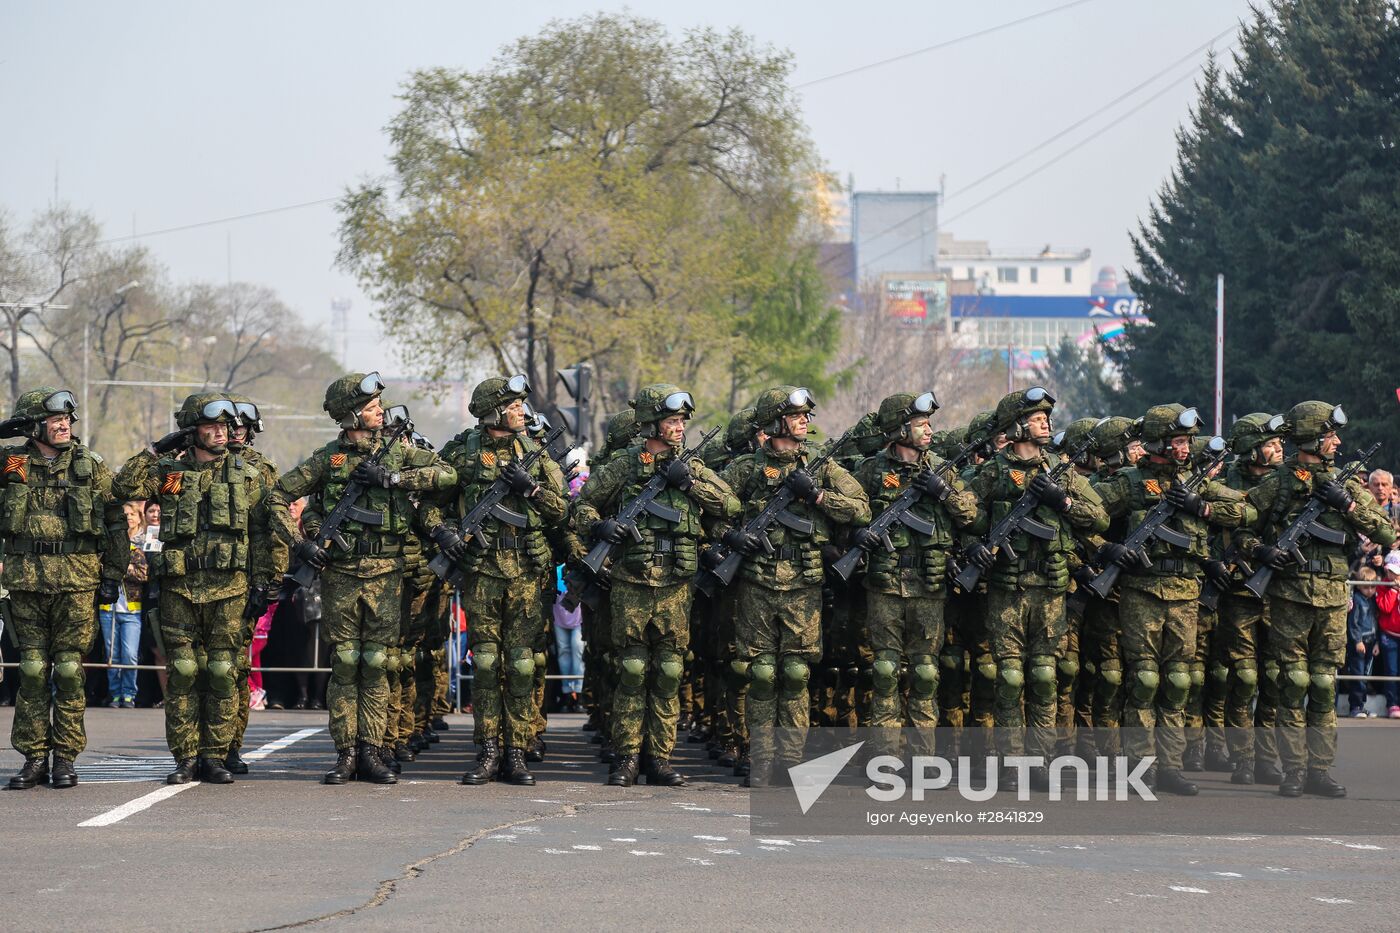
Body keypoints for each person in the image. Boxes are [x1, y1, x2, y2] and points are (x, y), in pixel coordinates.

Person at [267, 372, 456, 785]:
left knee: (376, 663)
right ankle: (345, 753)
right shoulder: (327, 459)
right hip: (341, 576)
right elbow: (277, 497)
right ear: (351, 416)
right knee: (346, 663)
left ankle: (373, 751)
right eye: (372, 408)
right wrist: (301, 543)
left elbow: (446, 475)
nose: (380, 413)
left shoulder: (397, 454)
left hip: (388, 574)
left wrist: (394, 479)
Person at [570, 384, 738, 786]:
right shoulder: (625, 467)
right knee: (632, 670)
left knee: (668, 672)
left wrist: (689, 485)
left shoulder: (691, 468)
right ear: (651, 425)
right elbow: (581, 505)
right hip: (631, 583)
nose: (680, 428)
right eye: (672, 421)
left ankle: (659, 758)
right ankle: (627, 756)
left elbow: (731, 506)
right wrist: (600, 526)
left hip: (676, 586)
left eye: (682, 421)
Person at [112, 393, 279, 785]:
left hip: (230, 587)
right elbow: (122, 487)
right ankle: (185, 756)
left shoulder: (248, 473)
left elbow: (264, 533)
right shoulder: (168, 471)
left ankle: (215, 755)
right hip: (179, 588)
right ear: (192, 430)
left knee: (222, 672)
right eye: (211, 426)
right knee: (185, 672)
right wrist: (154, 450)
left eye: (225, 426)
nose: (222, 432)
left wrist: (265, 582)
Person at [1091, 404, 1251, 796]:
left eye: (1186, 441)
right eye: (1178, 441)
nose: (1185, 447)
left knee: (1178, 683)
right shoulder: (1130, 481)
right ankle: (1140, 768)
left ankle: (1171, 766)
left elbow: (1248, 508)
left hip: (1185, 594)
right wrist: (1106, 548)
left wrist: (1203, 507)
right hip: (1142, 591)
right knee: (1144, 680)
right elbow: (1083, 514)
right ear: (1161, 442)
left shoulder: (1195, 482)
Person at [719, 386, 871, 787]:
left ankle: (789, 760)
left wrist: (819, 496)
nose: (805, 420)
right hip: (756, 583)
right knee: (763, 674)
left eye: (807, 415)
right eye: (796, 414)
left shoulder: (822, 468)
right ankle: (760, 759)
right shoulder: (748, 468)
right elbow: (713, 509)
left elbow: (861, 508)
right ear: (775, 422)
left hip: (803, 586)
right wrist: (730, 537)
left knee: (796, 673)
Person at [1243, 401, 1395, 797]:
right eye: (1330, 435)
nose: (1337, 442)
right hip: (1289, 597)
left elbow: (1384, 532)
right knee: (1292, 684)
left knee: (1325, 686)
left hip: (1329, 599)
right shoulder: (1277, 483)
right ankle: (1293, 769)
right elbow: (1238, 526)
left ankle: (1319, 770)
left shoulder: (1344, 485)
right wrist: (1259, 551)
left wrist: (1346, 504)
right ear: (1312, 438)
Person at [962, 388, 1107, 791]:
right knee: (1009, 677)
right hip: (1007, 589)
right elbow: (964, 514)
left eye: (1046, 416)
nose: (1046, 422)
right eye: (1037, 417)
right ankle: (1012, 763)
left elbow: (1098, 518)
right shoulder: (994, 470)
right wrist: (972, 544)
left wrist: (1062, 502)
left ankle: (1039, 761)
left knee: (1044, 675)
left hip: (1050, 587)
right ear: (1018, 426)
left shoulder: (1061, 471)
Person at [426, 374, 567, 787]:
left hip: (525, 573)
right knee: (486, 664)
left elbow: (562, 510)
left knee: (522, 666)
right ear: (493, 412)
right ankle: (487, 749)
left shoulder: (536, 452)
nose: (522, 410)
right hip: (482, 570)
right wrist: (442, 531)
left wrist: (534, 490)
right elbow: (430, 506)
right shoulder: (462, 452)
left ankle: (517, 752)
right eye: (514, 405)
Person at [2, 387, 126, 790]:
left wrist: (112, 576)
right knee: (33, 671)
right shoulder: (11, 463)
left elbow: (115, 523)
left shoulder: (90, 466)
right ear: (32, 424)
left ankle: (66, 758)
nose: (64, 425)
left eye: (68, 419)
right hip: (26, 582)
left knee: (70, 672)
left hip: (76, 582)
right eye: (55, 419)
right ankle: (34, 757)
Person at [1215, 413, 1287, 785]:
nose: (1279, 449)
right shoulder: (1223, 482)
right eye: (1271, 443)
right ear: (1250, 448)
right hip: (1238, 591)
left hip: (1278, 591)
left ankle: (1266, 757)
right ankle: (1242, 758)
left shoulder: (1289, 482)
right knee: (1243, 677)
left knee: (1273, 677)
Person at [223, 393, 286, 773]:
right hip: (197, 578)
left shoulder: (262, 471)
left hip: (243, 580)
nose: (232, 433)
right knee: (193, 669)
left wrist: (269, 581)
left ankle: (230, 745)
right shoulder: (192, 466)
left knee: (232, 669)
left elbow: (272, 531)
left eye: (239, 426)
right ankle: (194, 748)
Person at [100, 501, 149, 708]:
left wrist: (122, 567)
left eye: (132, 514)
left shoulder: (139, 547)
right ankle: (115, 694)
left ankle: (129, 693)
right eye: (125, 515)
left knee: (129, 655)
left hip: (131, 611)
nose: (128, 518)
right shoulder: (108, 544)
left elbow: (143, 574)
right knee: (112, 655)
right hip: (108, 609)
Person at [1344, 567, 1379, 717]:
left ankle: (1361, 706)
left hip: (1371, 642)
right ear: (1358, 586)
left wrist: (1377, 642)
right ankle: (1355, 707)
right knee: (1357, 674)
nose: (1370, 590)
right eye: (1366, 587)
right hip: (1359, 642)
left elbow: (1376, 622)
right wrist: (1357, 641)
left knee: (1365, 674)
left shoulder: (1372, 601)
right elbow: (1353, 623)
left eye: (1373, 587)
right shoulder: (1357, 600)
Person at [552, 565, 584, 710]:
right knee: (563, 651)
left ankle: (578, 689)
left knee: (578, 648)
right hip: (559, 615)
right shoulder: (556, 569)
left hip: (578, 616)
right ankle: (567, 691)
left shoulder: (581, 566)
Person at [1375, 553, 1400, 718]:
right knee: (1391, 671)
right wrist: (1392, 590)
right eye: (1392, 572)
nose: (1395, 575)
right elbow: (1384, 607)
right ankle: (1392, 704)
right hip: (1389, 635)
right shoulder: (1383, 585)